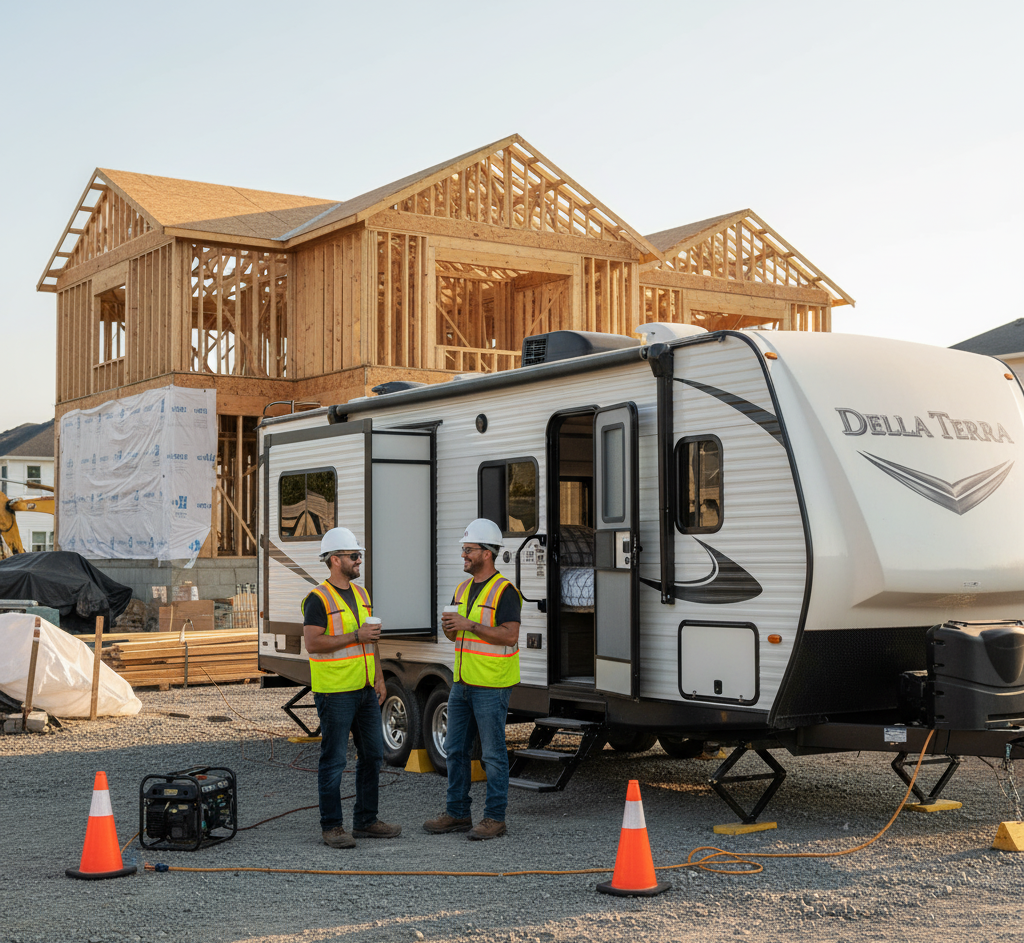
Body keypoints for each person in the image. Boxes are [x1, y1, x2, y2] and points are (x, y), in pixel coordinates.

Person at [301, 526, 401, 848]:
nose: (359, 560)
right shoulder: (317, 599)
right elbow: (313, 643)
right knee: (334, 760)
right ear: (334, 560)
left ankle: (365, 821)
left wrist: (380, 677)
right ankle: (332, 827)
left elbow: (371, 640)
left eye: (359, 555)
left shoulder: (362, 595)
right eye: (353, 556)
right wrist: (354, 636)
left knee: (373, 754)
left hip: (364, 690)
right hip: (335, 692)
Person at [423, 518, 522, 840]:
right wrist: (451, 630)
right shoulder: (462, 588)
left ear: (486, 553)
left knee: (492, 754)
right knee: (454, 750)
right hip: (462, 683)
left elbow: (509, 636)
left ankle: (495, 818)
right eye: (463, 549)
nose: (463, 555)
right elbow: (458, 637)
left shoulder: (506, 591)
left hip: (492, 686)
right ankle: (457, 813)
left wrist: (469, 625)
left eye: (468, 550)